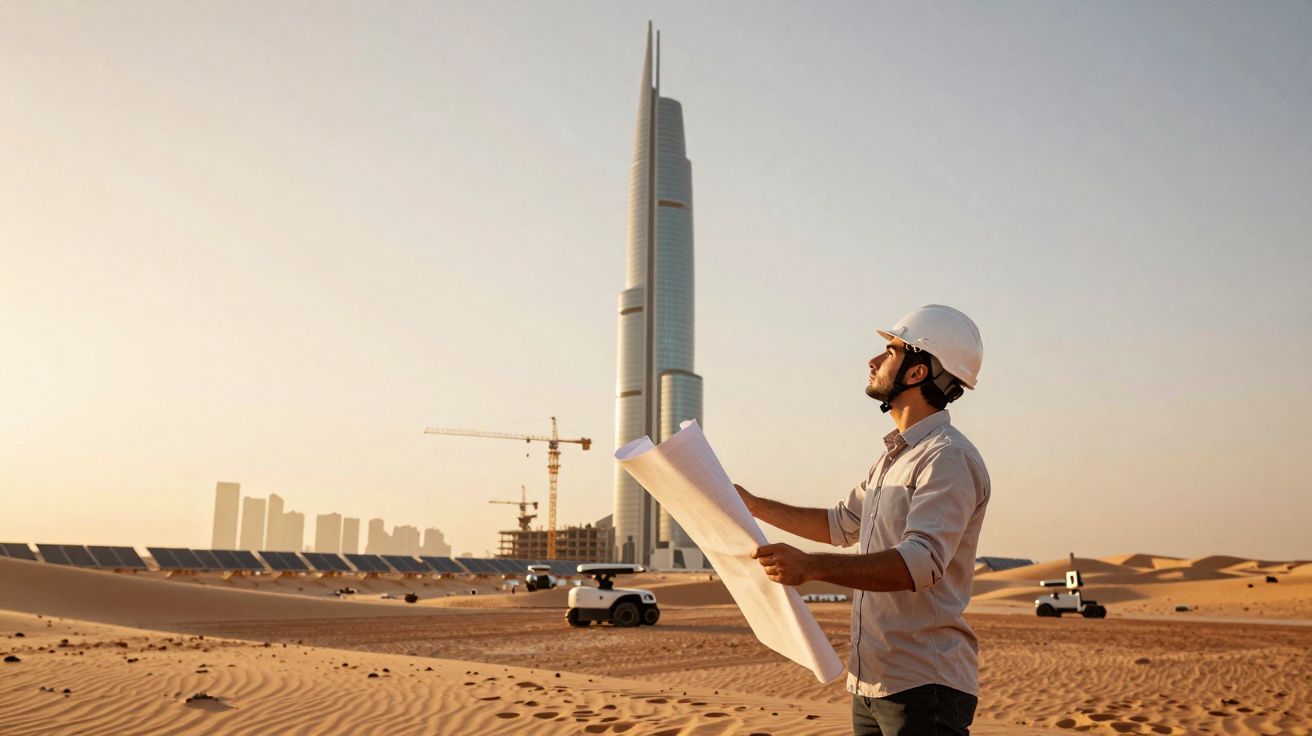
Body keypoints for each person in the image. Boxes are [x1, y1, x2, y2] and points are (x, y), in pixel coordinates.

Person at [737, 304, 989, 736]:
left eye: (889, 352)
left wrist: (810, 566)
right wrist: (753, 505)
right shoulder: (892, 459)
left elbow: (919, 563)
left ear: (917, 372)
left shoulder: (947, 457)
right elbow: (840, 524)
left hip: (923, 686)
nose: (873, 361)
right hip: (872, 683)